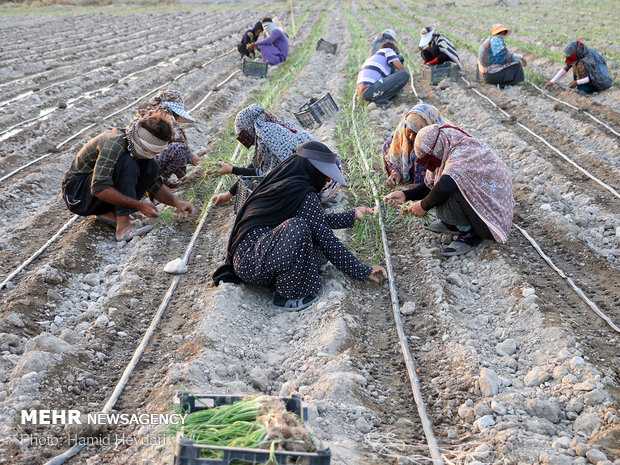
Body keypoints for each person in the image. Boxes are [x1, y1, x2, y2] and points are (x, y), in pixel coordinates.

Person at [213, 141, 387, 311]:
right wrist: (362, 270)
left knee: (314, 245)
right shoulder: (303, 193)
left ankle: (277, 279)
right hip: (250, 261)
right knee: (300, 228)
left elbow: (315, 221)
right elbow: (327, 239)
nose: (327, 180)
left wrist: (351, 215)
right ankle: (287, 295)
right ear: (313, 170)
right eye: (324, 174)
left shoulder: (285, 180)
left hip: (253, 256)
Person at [384, 124, 513, 257]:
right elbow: (430, 185)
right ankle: (453, 225)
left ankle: (470, 234)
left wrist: (423, 206)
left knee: (450, 186)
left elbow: (446, 186)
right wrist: (405, 195)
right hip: (476, 208)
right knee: (440, 184)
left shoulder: (463, 152)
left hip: (488, 221)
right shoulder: (445, 146)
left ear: (434, 148)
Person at [61, 115, 195, 241]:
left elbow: (153, 185)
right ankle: (123, 227)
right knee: (127, 163)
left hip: (93, 193)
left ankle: (108, 213)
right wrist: (139, 205)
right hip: (76, 194)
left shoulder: (135, 146)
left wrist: (176, 202)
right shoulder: (114, 143)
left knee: (151, 165)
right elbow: (99, 187)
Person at [210, 104, 314, 205]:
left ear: (250, 127)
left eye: (243, 135)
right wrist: (229, 193)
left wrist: (232, 170)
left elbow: (266, 173)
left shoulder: (269, 138)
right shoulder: (269, 128)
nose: (245, 140)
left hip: (311, 181)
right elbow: (256, 165)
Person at [128, 89, 198, 188]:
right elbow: (181, 146)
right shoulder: (164, 118)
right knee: (181, 149)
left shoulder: (148, 113)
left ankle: (159, 183)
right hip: (140, 166)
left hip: (134, 163)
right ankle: (153, 184)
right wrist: (195, 159)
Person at [382, 103, 447, 188]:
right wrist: (395, 172)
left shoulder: (441, 138)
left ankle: (422, 187)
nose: (411, 137)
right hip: (410, 173)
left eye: (416, 134)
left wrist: (418, 187)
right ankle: (399, 180)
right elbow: (393, 153)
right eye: (409, 132)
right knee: (388, 146)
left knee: (420, 155)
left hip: (430, 181)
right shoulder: (403, 131)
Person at [544, 40, 613, 93]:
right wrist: (552, 81)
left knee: (579, 65)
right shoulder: (579, 55)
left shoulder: (589, 59)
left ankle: (586, 90)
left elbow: (593, 77)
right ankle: (583, 88)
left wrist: (577, 82)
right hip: (592, 80)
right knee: (576, 64)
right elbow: (565, 69)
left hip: (600, 83)